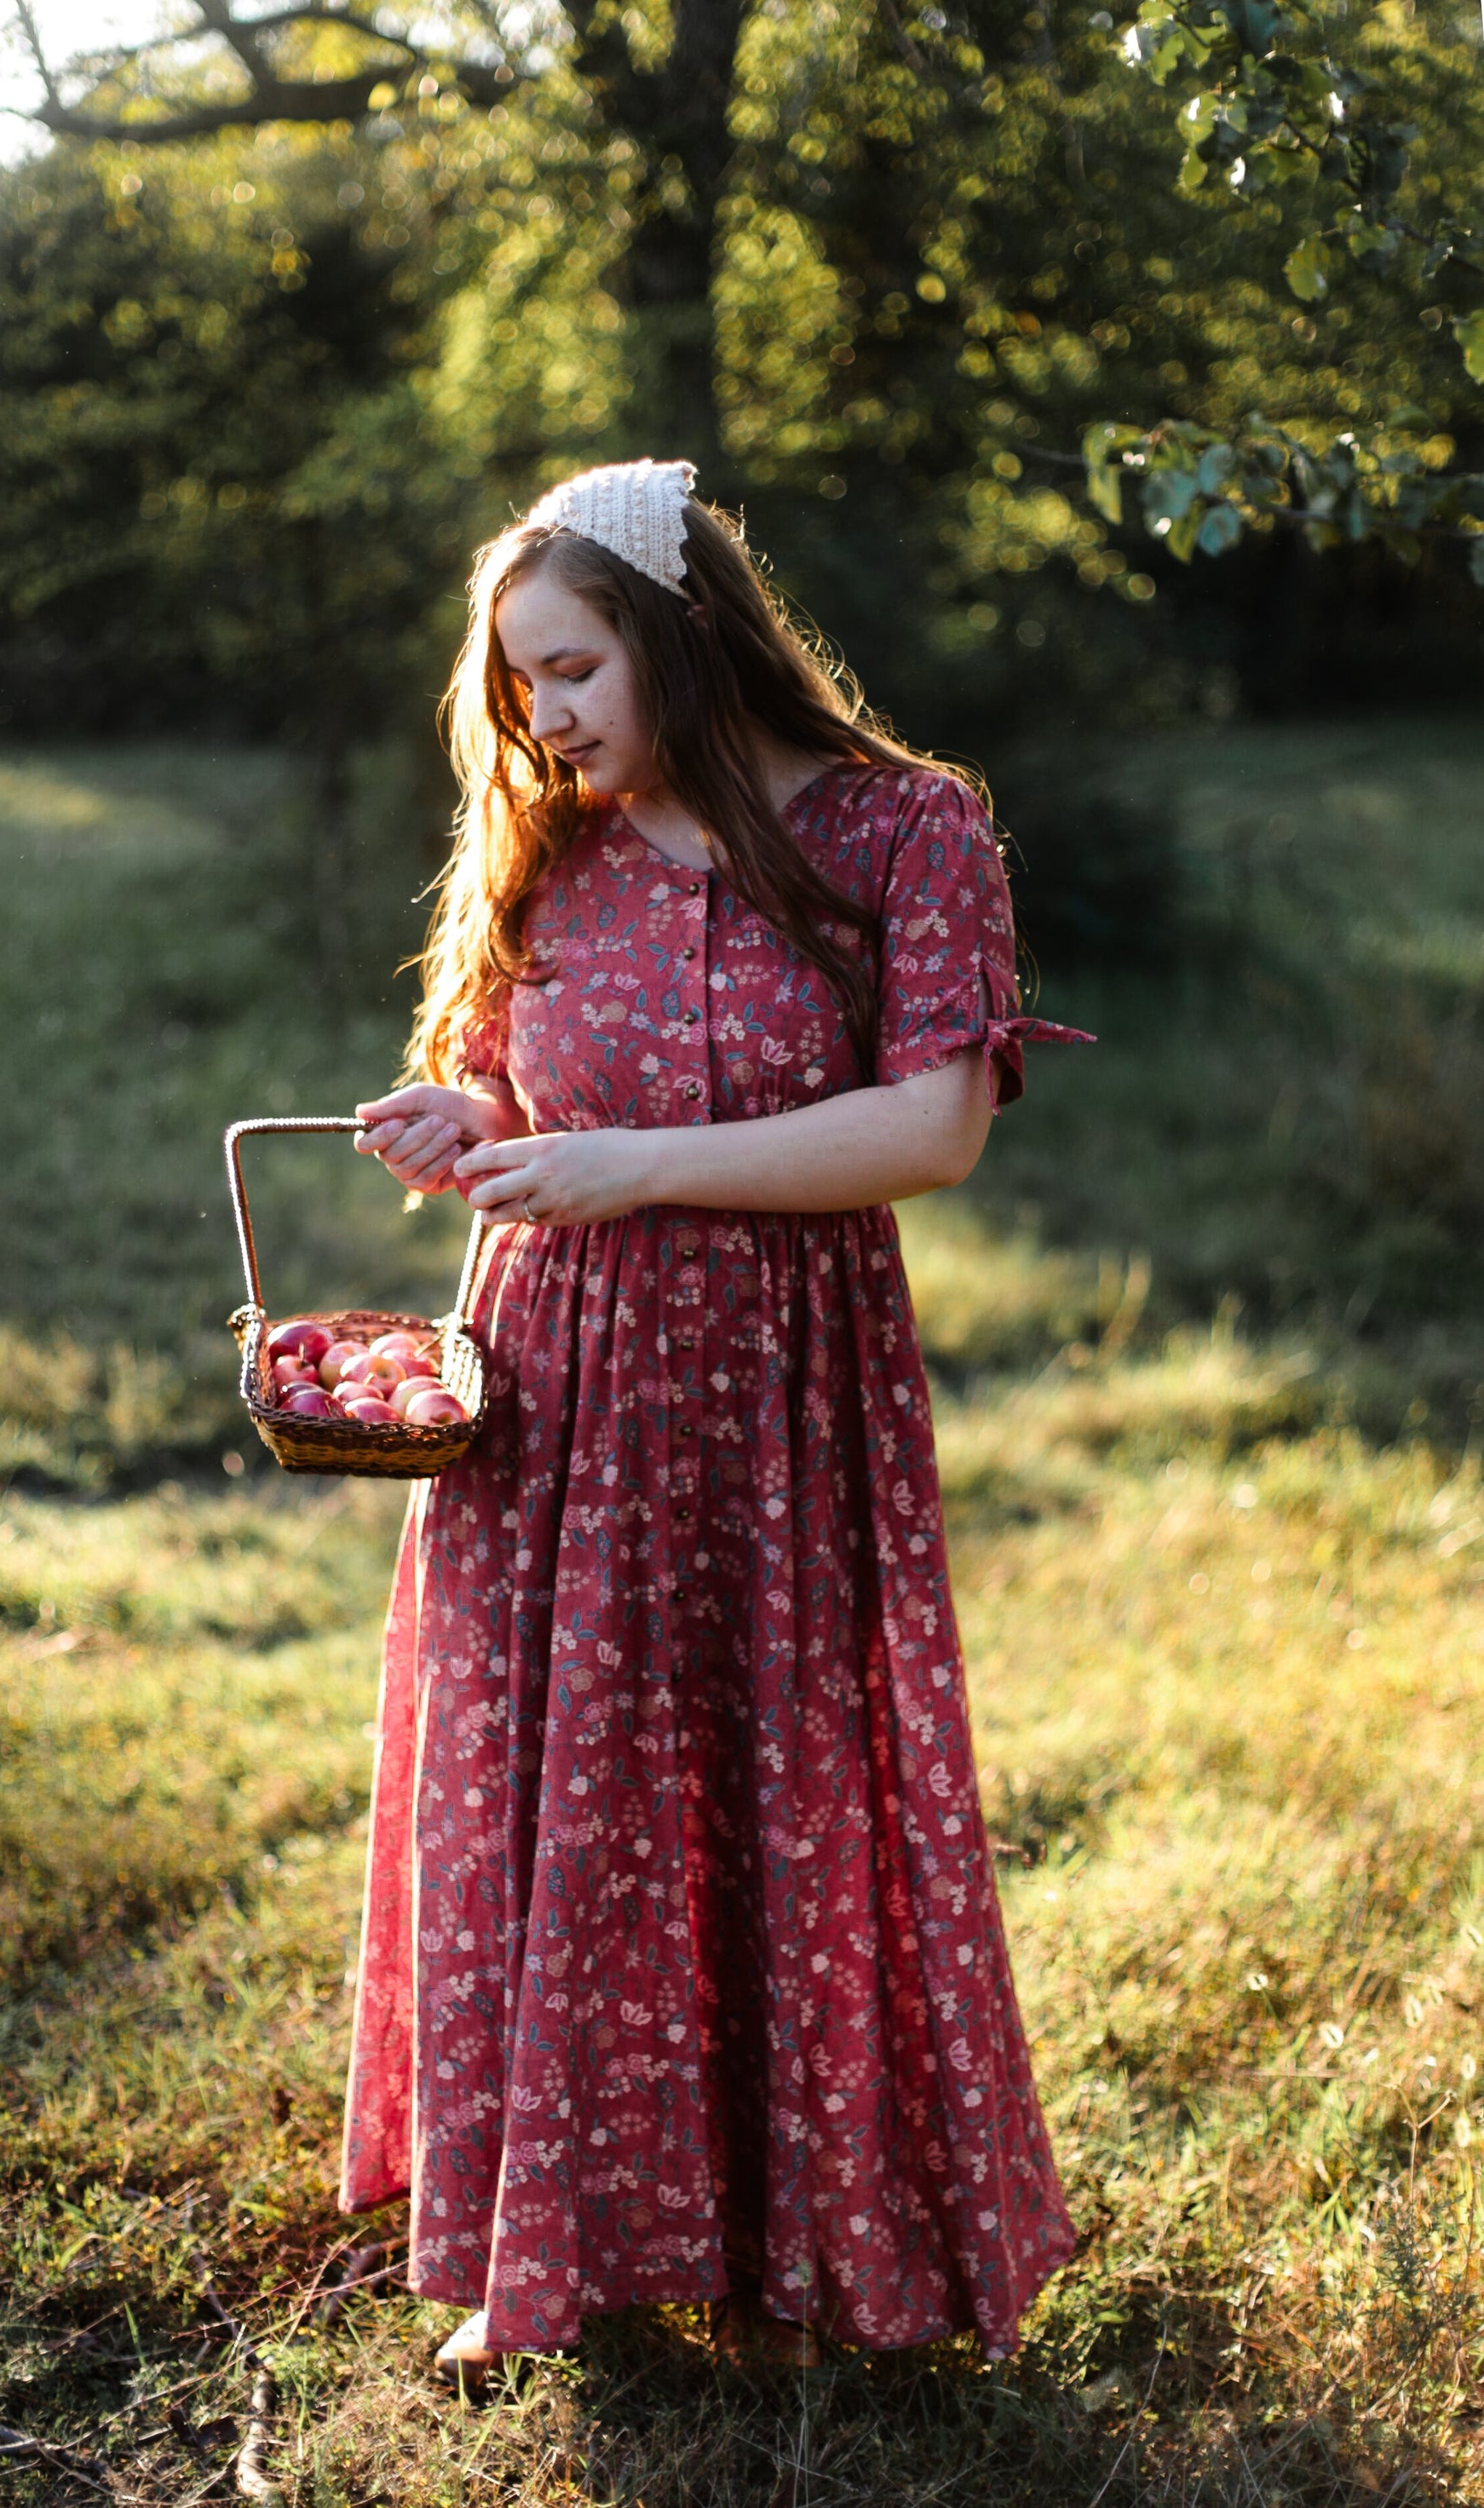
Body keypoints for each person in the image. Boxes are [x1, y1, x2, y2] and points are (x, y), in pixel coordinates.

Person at [343, 457, 1090, 2379]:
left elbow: (929, 1129)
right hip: (553, 1390)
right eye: (521, 689)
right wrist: (479, 1132)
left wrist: (627, 1167)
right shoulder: (554, 849)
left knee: (770, 1791)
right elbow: (523, 1101)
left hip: (780, 1391)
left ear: (681, 632)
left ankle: (793, 2237)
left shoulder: (907, 836)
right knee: (554, 1789)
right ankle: (550, 2236)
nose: (548, 720)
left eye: (573, 668)